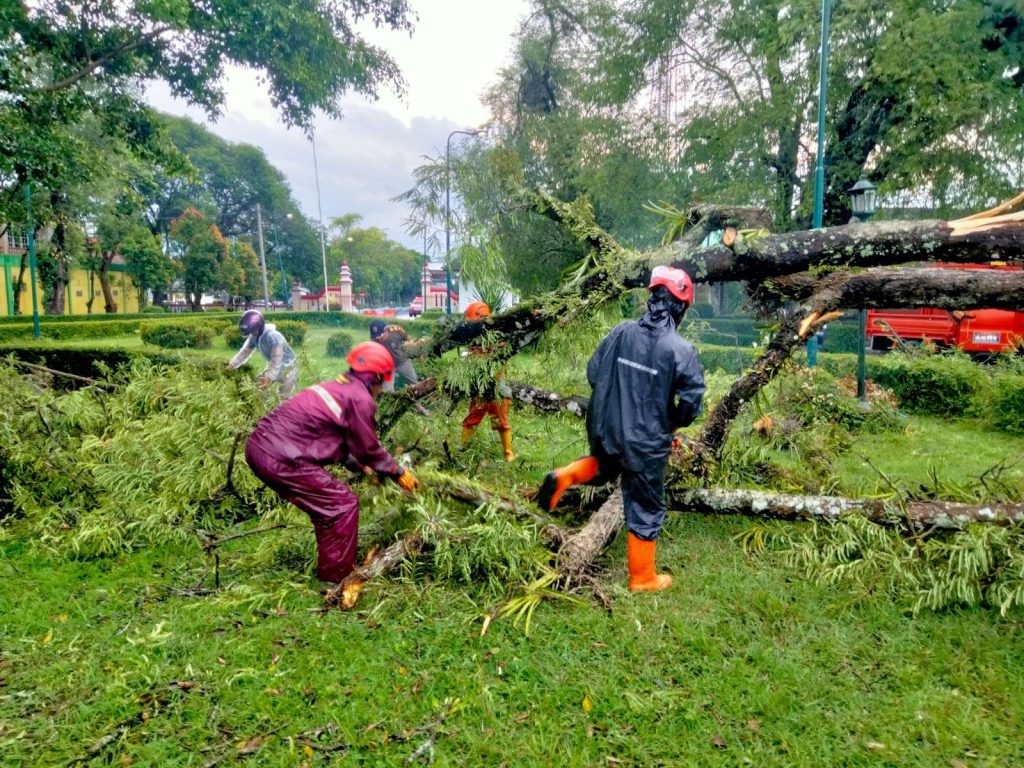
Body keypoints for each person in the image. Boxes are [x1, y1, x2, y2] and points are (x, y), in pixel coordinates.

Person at [536, 266, 705, 592]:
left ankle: (565, 476)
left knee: (603, 467)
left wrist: (615, 406)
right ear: (681, 306)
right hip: (646, 441)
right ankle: (642, 579)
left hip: (606, 427)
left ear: (651, 298)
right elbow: (691, 403)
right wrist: (671, 422)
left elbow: (594, 371)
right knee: (645, 503)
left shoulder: (620, 331)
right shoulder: (681, 350)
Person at [244, 342, 419, 583]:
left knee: (328, 507)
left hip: (260, 447)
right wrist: (398, 472)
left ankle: (332, 566)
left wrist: (359, 466)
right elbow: (369, 448)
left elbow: (335, 441)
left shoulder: (336, 387)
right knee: (342, 505)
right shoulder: (360, 398)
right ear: (377, 376)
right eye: (383, 382)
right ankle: (337, 580)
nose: (381, 388)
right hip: (280, 457)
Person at [460, 301, 515, 461]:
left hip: (496, 385)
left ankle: (508, 453)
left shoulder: (497, 337)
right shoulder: (473, 339)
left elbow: (504, 356)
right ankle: (462, 450)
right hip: (479, 387)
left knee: (501, 419)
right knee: (472, 418)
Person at [227, 310, 299, 397]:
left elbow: (277, 358)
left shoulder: (273, 336)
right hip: (274, 365)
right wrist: (232, 365)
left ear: (258, 326)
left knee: (284, 394)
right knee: (259, 384)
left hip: (289, 367)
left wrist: (269, 377)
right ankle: (263, 407)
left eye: (253, 330)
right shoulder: (254, 337)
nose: (252, 333)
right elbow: (244, 352)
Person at [369, 319, 422, 393]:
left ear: (386, 331)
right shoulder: (374, 342)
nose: (377, 339)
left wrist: (417, 353)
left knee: (415, 384)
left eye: (380, 336)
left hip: (402, 361)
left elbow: (408, 340)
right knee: (387, 391)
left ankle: (417, 401)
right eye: (375, 337)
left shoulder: (396, 331)